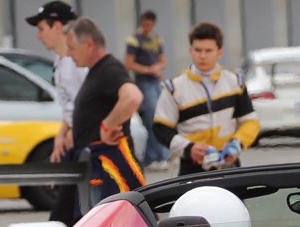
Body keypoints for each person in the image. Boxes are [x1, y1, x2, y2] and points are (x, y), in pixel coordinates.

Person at [153, 21, 261, 177]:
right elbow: (160, 129)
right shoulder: (174, 88)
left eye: (208, 50)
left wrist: (238, 143)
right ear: (190, 51)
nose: (202, 56)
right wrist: (188, 148)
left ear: (219, 52)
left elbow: (250, 121)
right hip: (191, 167)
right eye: (198, 50)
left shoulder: (235, 82)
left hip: (229, 164)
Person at [67, 17, 144, 211]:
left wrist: (107, 125)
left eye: (72, 48)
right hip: (97, 166)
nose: (69, 54)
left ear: (89, 44)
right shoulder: (98, 71)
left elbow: (133, 97)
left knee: (114, 221)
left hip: (109, 168)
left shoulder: (109, 69)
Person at [25, 0, 84, 225]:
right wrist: (62, 133)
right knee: (66, 212)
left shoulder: (79, 63)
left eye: (42, 29)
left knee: (72, 214)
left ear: (58, 27)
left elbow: (88, 105)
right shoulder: (61, 61)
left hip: (85, 144)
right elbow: (70, 107)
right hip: (73, 142)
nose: (39, 36)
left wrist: (74, 133)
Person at [124, 11, 171, 169]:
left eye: (150, 24)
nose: (147, 27)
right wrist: (148, 70)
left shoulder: (156, 39)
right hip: (143, 82)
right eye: (145, 24)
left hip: (156, 82)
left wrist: (158, 68)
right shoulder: (134, 40)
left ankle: (160, 154)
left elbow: (163, 60)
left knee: (161, 117)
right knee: (151, 119)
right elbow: (129, 63)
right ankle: (153, 156)